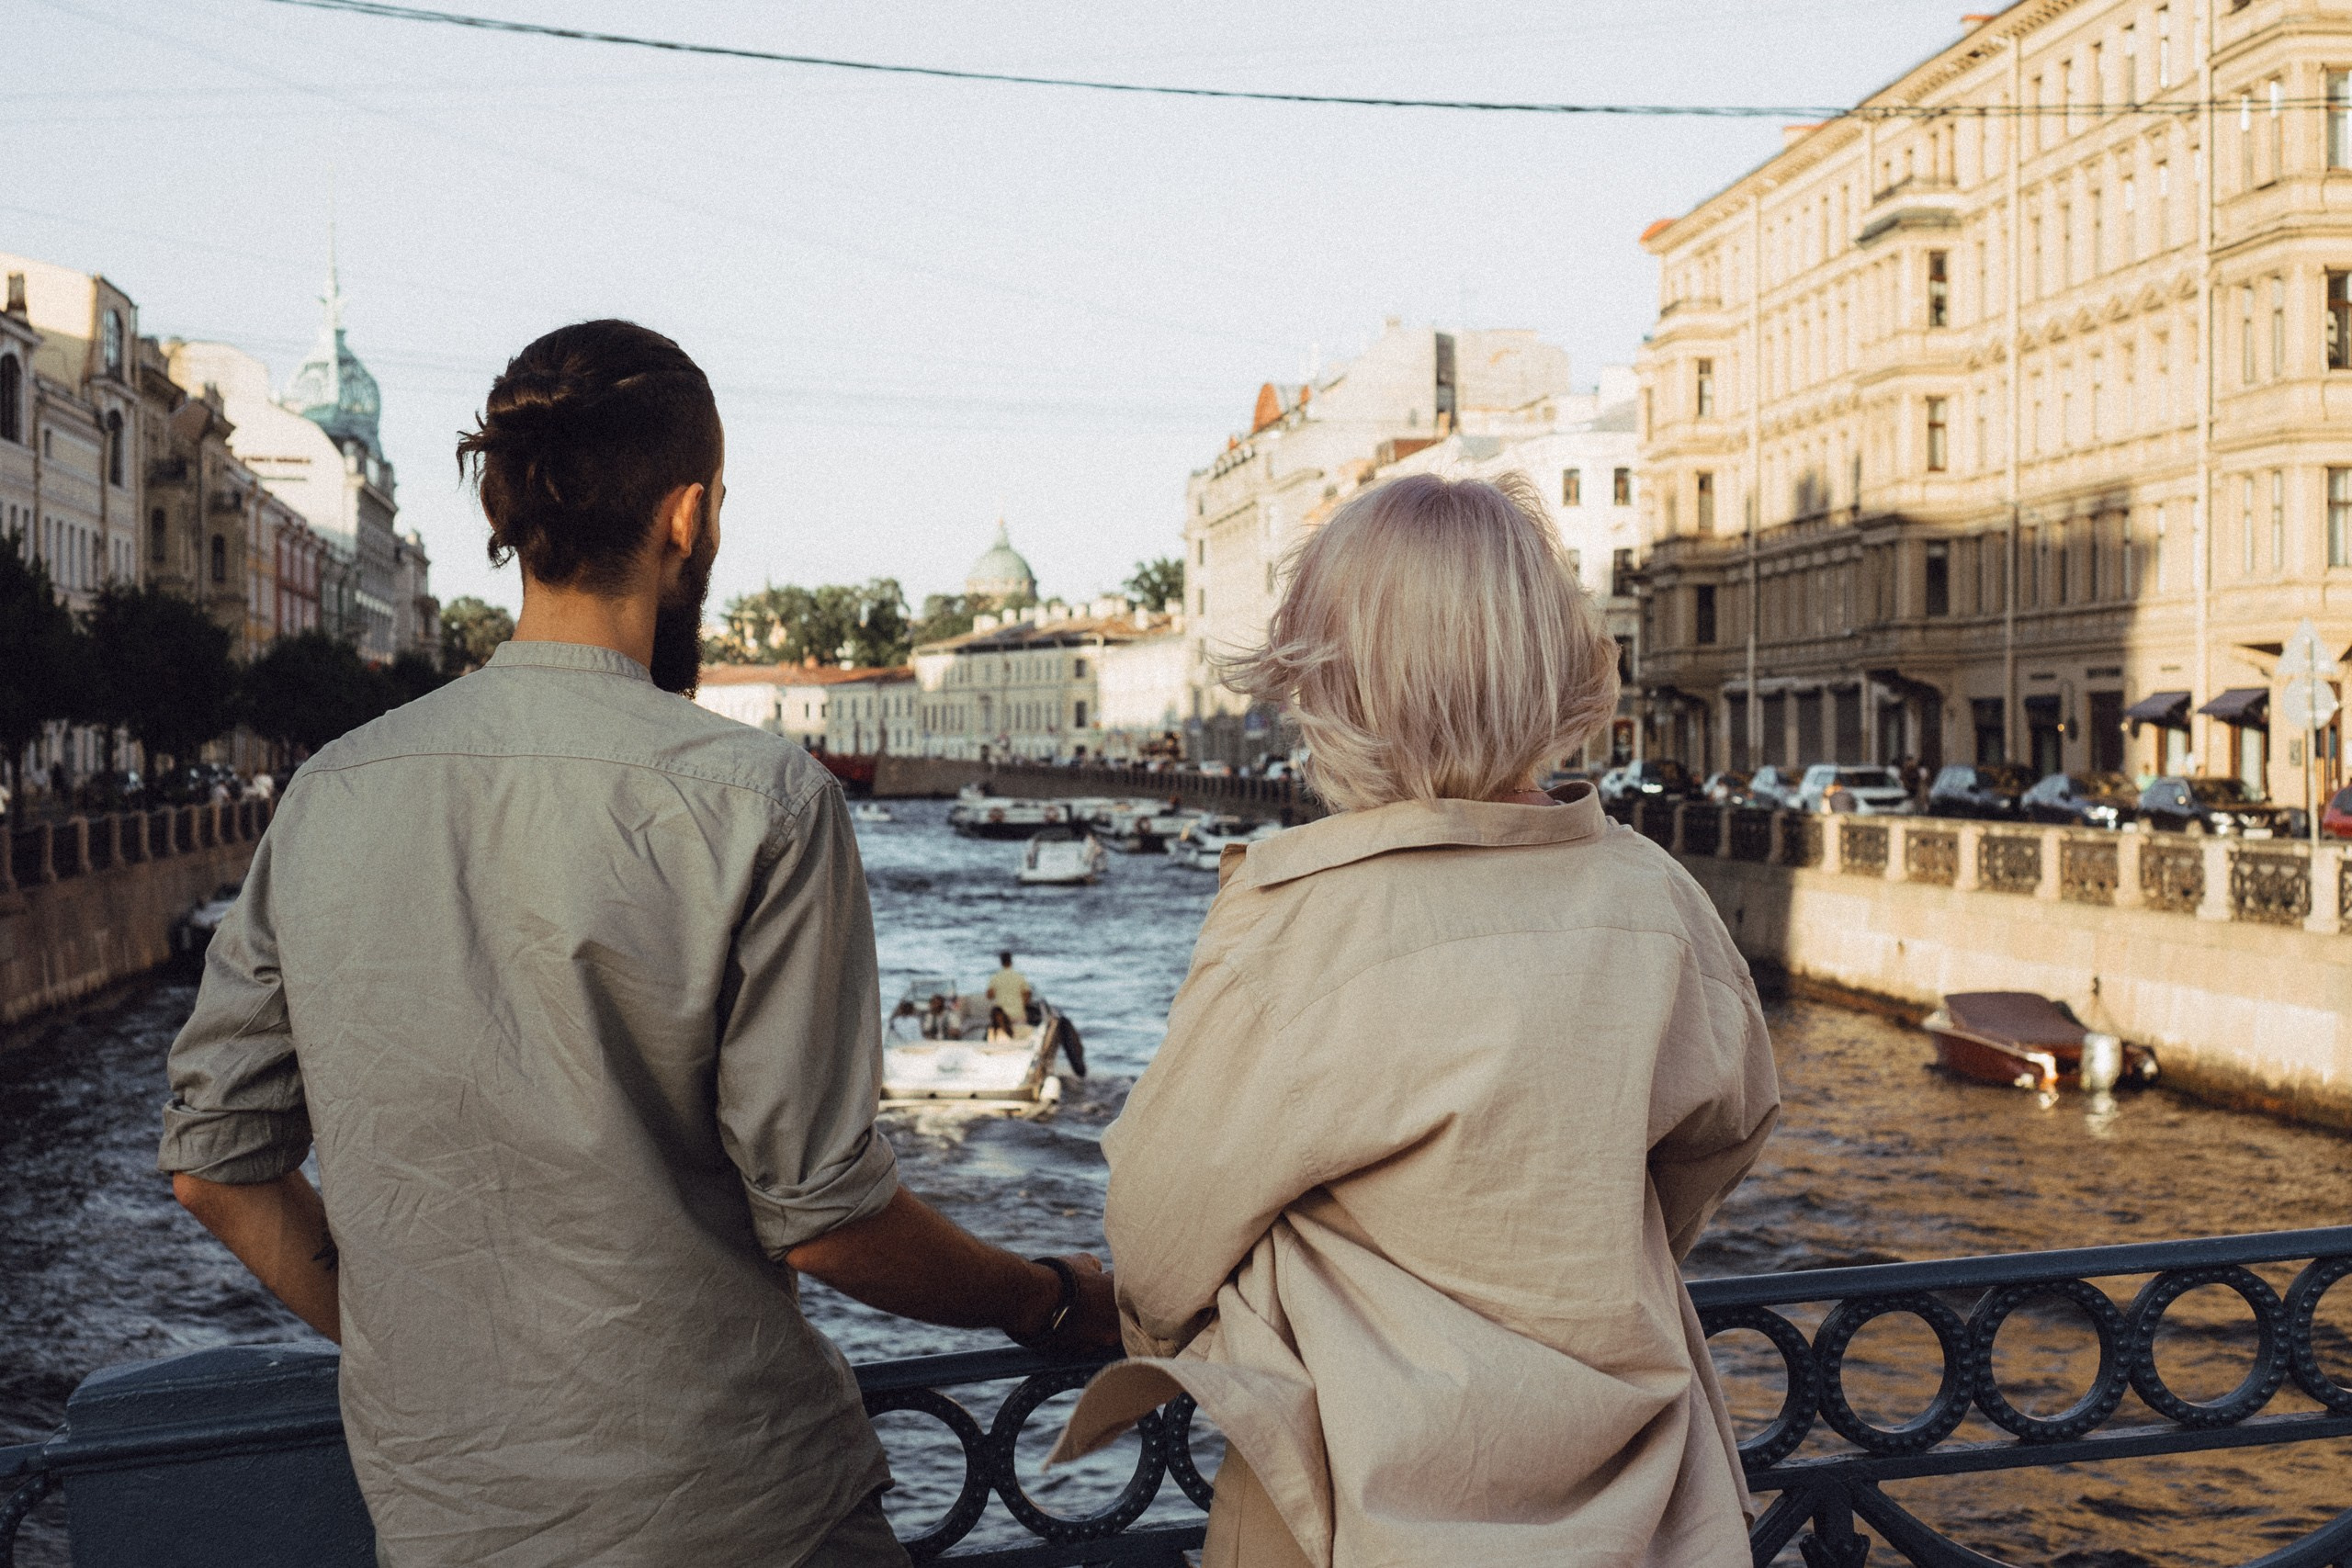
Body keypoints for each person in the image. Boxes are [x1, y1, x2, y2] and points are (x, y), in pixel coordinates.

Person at [158, 320, 1116, 1568]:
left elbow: (214, 1166)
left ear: (510, 509)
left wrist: (429, 1352)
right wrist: (1045, 1293)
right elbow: (825, 1218)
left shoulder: (332, 789)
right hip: (739, 1511)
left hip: (449, 1517)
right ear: (687, 516)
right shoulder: (761, 794)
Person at [1053, 473, 1780, 1568]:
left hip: (1364, 1502)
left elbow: (1156, 1244)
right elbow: (1725, 1130)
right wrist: (1585, 1234)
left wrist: (1245, 1309)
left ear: (1326, 685)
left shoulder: (1298, 928)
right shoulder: (1656, 899)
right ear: (1554, 663)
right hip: (1648, 1508)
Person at [986, 950, 1031, 1026]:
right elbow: (1027, 994)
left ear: (1001, 962)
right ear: (1011, 961)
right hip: (1018, 1014)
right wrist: (1022, 1005)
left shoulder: (995, 977)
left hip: (1002, 1017)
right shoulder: (1019, 976)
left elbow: (989, 996)